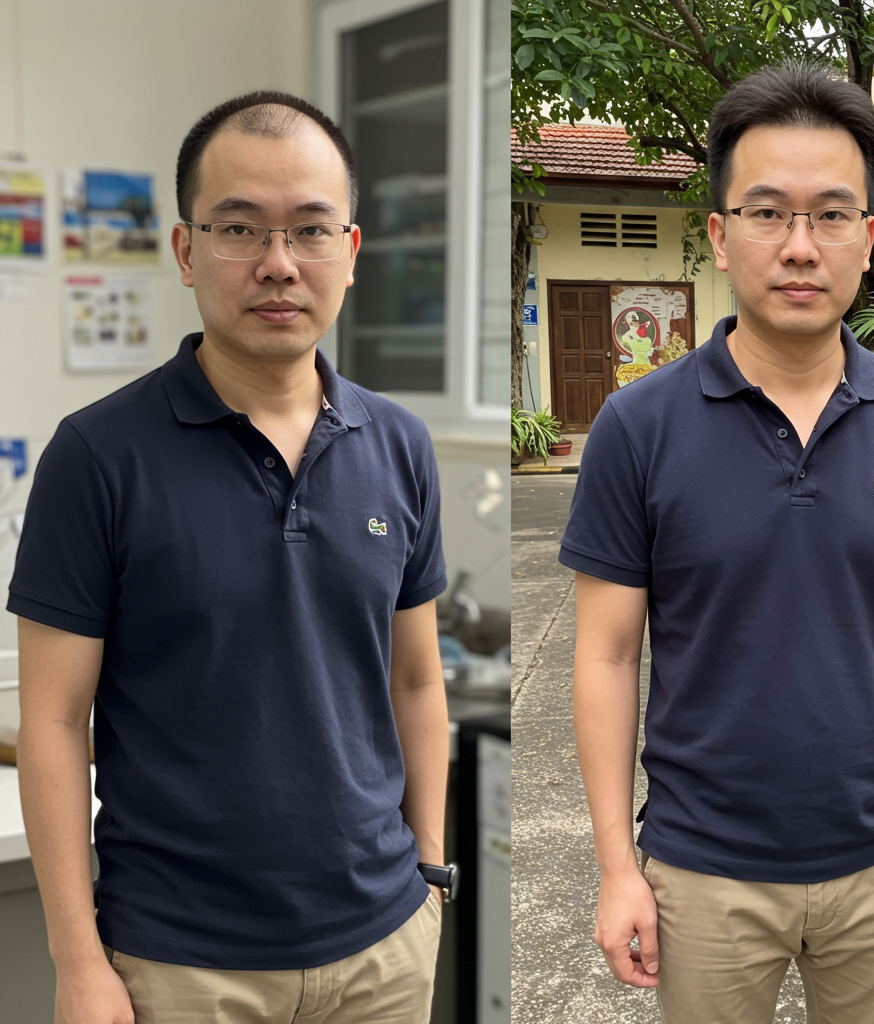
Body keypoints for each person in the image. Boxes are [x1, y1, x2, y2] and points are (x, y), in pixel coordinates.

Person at [10, 91, 452, 1024]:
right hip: (179, 964)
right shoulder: (98, 456)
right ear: (185, 251)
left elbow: (416, 682)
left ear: (351, 253)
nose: (279, 265)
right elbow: (52, 723)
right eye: (240, 229)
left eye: (310, 231)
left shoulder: (400, 445)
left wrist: (430, 877)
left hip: (382, 950)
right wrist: (78, 962)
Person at [561, 63, 874, 1024]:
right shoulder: (638, 425)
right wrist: (617, 868)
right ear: (719, 234)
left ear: (870, 240)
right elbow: (606, 651)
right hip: (703, 873)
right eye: (766, 213)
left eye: (832, 215)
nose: (800, 247)